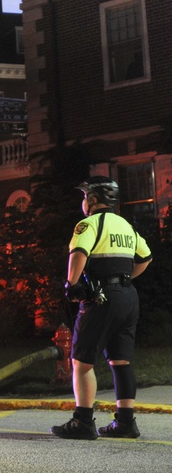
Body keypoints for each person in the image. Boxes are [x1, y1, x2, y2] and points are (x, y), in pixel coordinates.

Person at [51, 175, 152, 441]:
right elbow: (145, 257)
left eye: (85, 196)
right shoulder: (125, 225)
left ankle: (83, 422)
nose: (84, 201)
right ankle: (126, 423)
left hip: (101, 298)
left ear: (94, 199)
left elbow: (79, 253)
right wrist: (124, 278)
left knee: (81, 361)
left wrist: (72, 284)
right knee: (121, 362)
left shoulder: (88, 224)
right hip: (128, 297)